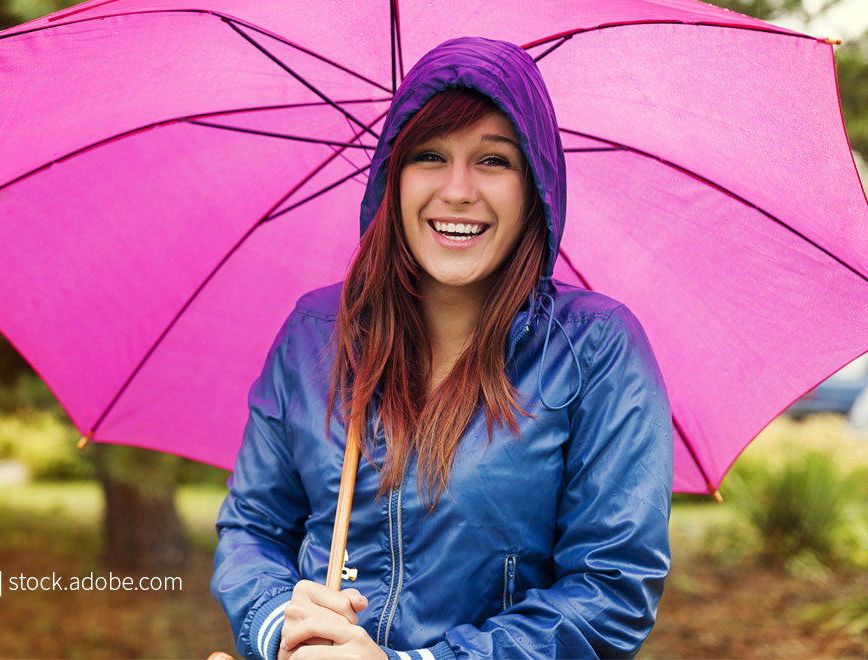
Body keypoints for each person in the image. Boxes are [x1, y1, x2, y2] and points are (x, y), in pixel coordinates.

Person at [211, 36, 672, 660]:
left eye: (494, 160)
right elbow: (254, 528)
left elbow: (611, 588)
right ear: (392, 178)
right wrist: (283, 631)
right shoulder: (317, 331)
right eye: (429, 155)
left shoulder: (597, 349)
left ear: (535, 183)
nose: (457, 190)